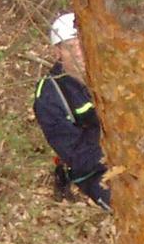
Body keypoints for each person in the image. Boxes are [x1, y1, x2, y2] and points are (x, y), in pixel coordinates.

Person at [33, 11, 110, 210]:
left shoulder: (111, 70)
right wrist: (113, 145)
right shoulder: (50, 97)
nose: (78, 52)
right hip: (94, 170)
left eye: (81, 44)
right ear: (57, 53)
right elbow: (76, 155)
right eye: (69, 47)